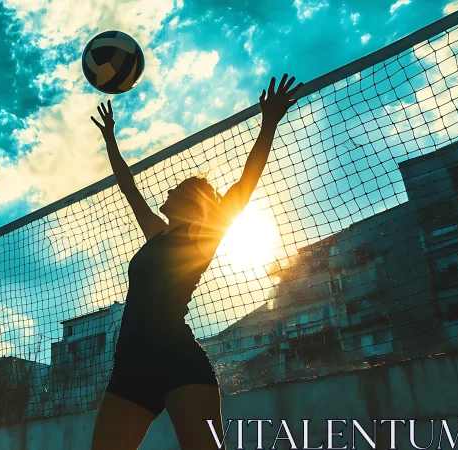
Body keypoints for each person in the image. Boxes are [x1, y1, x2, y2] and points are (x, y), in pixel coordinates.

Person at [89, 74, 303, 450]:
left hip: (178, 361)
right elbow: (128, 185)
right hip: (129, 367)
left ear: (191, 201)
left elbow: (245, 184)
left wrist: (268, 122)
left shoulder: (203, 237)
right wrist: (110, 141)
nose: (167, 191)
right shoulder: (157, 233)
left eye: (176, 189)